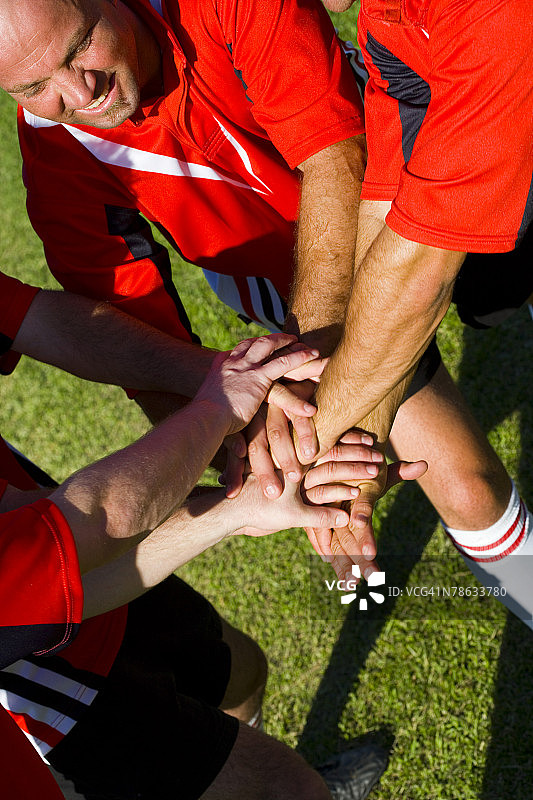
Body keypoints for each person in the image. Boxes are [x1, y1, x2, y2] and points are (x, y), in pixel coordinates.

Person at [0, 269, 396, 799]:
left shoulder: (47, 554)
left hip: (64, 560)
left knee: (241, 671)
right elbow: (96, 521)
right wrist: (221, 404)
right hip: (33, 667)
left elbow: (40, 530)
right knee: (288, 788)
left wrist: (238, 503)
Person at [285, 0, 533, 622]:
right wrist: (354, 448)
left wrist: (310, 442)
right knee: (467, 486)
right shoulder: (383, 20)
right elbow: (385, 202)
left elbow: (422, 265)